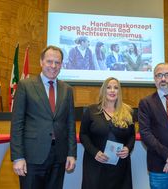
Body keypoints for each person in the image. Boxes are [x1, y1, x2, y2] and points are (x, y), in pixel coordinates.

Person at [10, 45, 77, 189]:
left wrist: (72, 154)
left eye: (57, 62)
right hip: (32, 156)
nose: (53, 66)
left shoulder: (67, 90)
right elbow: (17, 124)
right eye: (49, 61)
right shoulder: (25, 85)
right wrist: (18, 157)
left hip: (59, 156)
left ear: (61, 64)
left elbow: (70, 124)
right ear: (41, 62)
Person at [80, 77, 135, 189]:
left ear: (119, 92)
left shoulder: (127, 111)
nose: (112, 90)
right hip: (95, 163)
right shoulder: (91, 110)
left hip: (119, 166)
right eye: (109, 87)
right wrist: (95, 152)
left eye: (116, 88)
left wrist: (128, 148)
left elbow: (131, 136)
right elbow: (83, 135)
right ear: (103, 90)